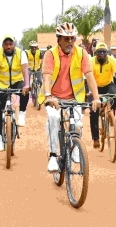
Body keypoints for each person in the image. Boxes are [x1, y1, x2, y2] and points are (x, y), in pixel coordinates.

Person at [39, 22, 100, 172]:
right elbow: (46, 76)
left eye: (73, 38)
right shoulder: (50, 54)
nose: (70, 42)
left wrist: (96, 98)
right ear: (58, 39)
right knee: (54, 119)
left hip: (75, 98)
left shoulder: (81, 53)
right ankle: (53, 155)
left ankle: (75, 148)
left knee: (78, 125)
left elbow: (89, 76)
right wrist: (48, 96)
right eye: (67, 39)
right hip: (53, 97)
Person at [0, 35, 30, 151]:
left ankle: (21, 113)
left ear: (14, 45)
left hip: (17, 81)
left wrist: (27, 85)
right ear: (2, 45)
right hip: (1, 83)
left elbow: (25, 70)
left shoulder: (21, 54)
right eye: (6, 44)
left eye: (10, 44)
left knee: (25, 91)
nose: (8, 46)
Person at [89, 42, 116, 148]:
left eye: (104, 52)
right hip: (94, 87)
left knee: (115, 97)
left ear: (107, 53)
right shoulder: (91, 61)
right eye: (99, 52)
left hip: (108, 85)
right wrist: (90, 91)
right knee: (94, 111)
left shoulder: (112, 60)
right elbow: (88, 76)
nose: (101, 53)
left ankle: (111, 114)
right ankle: (95, 138)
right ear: (95, 53)